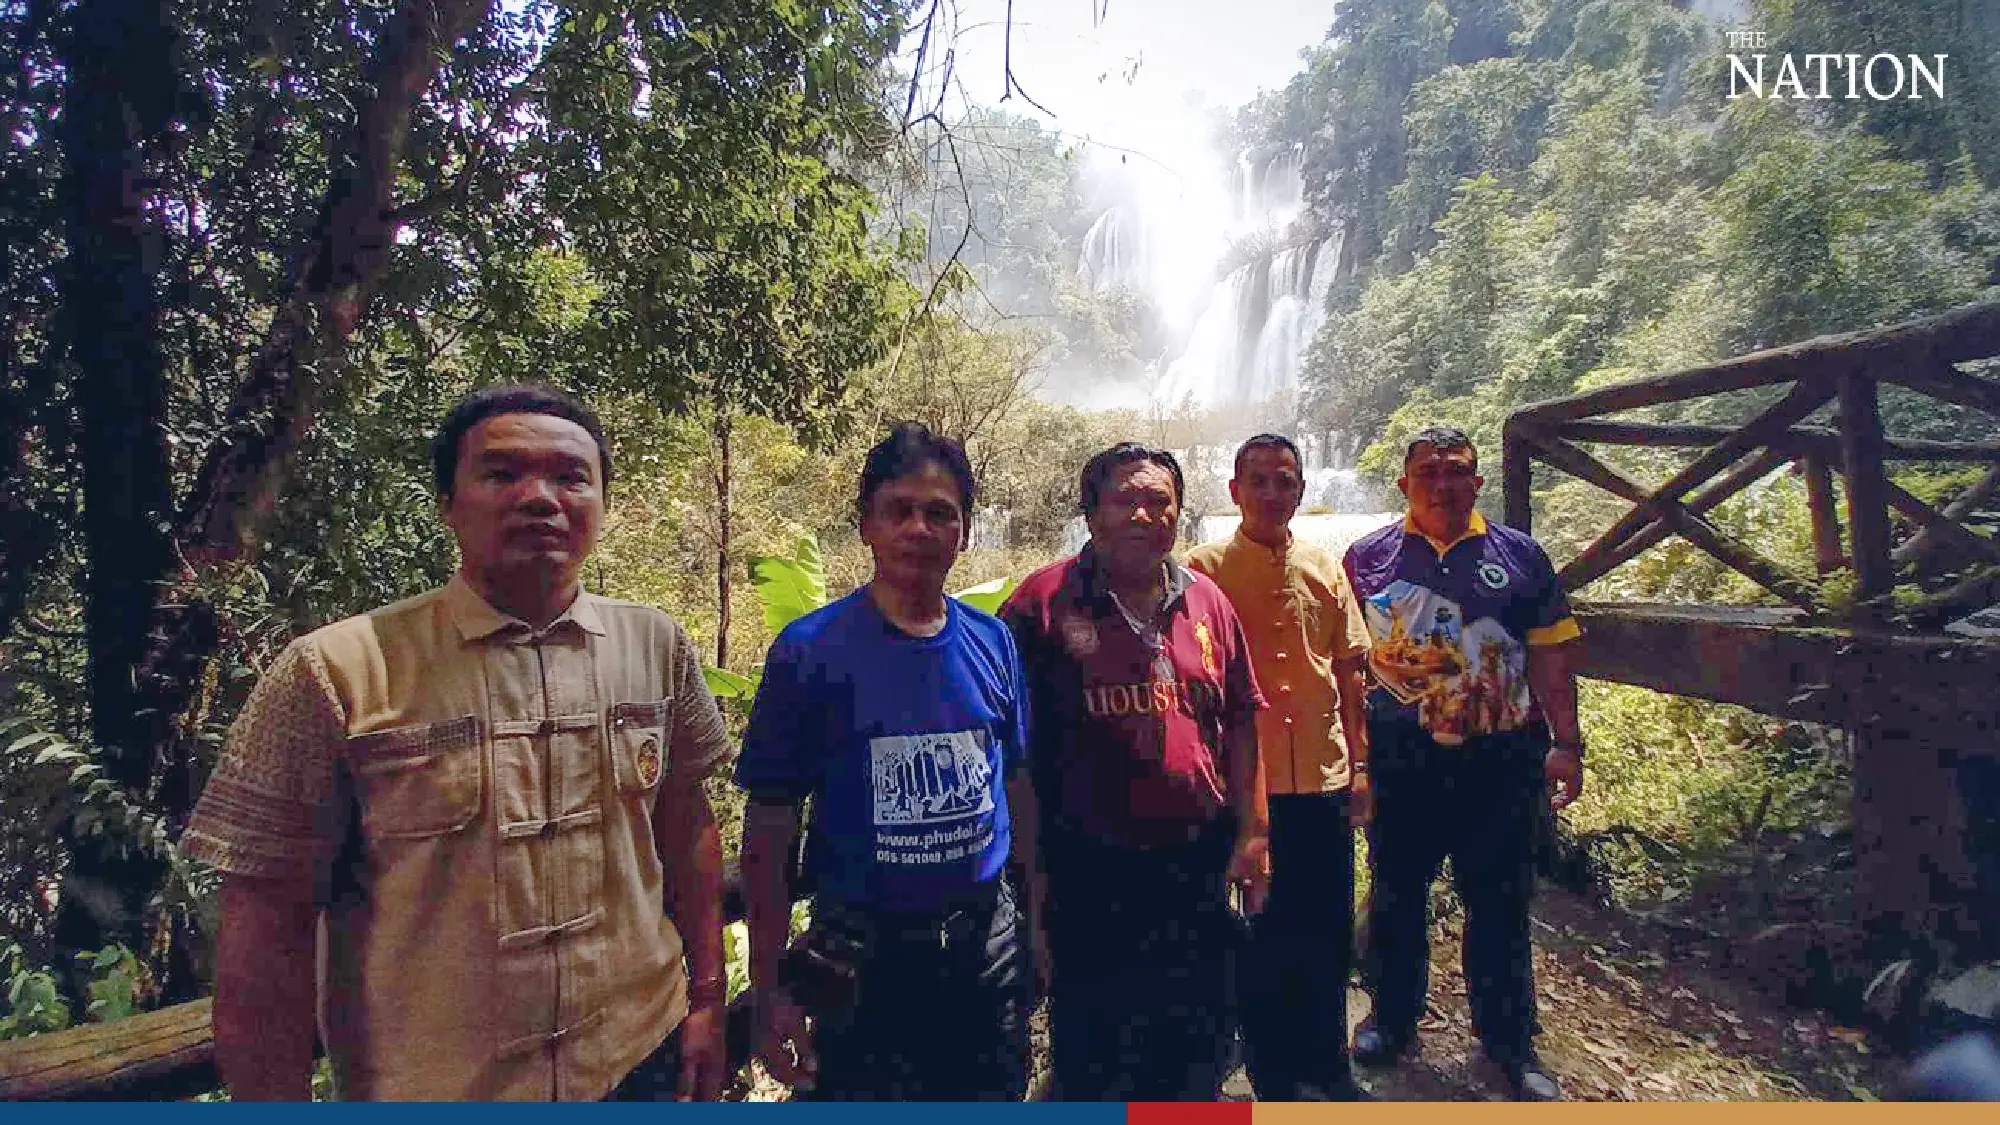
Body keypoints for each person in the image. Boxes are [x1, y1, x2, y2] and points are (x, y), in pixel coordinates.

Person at [182, 385, 735, 1101]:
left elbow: (687, 824)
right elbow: (265, 925)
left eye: (571, 476)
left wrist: (708, 995)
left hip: (638, 1058)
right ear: (448, 501)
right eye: (501, 473)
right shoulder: (337, 670)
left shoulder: (654, 643)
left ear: (602, 501)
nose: (540, 497)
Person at [737, 422, 1034, 1101]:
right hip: (862, 964)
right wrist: (769, 986)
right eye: (899, 509)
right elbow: (770, 829)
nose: (919, 528)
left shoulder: (992, 641)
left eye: (940, 513)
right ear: (866, 523)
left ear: (964, 530)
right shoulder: (810, 651)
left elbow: (1018, 788)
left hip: (986, 949)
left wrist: (1035, 924)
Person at [1000, 442, 1269, 1101]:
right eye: (1126, 499)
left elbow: (1240, 719)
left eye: (1160, 500)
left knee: (1196, 1036)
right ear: (1091, 514)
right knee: (1095, 1044)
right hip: (1088, 868)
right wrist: (1028, 879)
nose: (1144, 514)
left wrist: (1253, 834)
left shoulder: (1208, 602)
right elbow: (1010, 750)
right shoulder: (1039, 604)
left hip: (1194, 863)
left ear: (1179, 513)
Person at [1342, 425, 1585, 1101]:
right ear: (1405, 484)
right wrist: (1354, 759)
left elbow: (1552, 656)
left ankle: (1509, 1042)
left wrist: (1568, 741)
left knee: (1501, 902)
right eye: (1428, 472)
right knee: (1395, 894)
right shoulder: (1366, 558)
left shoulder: (1520, 556)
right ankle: (1391, 1019)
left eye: (1456, 471)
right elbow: (1345, 663)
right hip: (1402, 762)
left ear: (1477, 482)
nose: (1442, 483)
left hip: (1501, 761)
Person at [1186, 433, 1372, 1102]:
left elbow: (1349, 670)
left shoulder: (1325, 565)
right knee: (1262, 932)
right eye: (1257, 480)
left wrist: (1361, 766)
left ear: (1300, 490)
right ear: (1234, 490)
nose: (1271, 492)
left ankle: (1329, 1064)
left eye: (1284, 481)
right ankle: (1273, 1074)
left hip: (1322, 778)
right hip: (1247, 784)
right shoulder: (1200, 569)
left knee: (1326, 927)